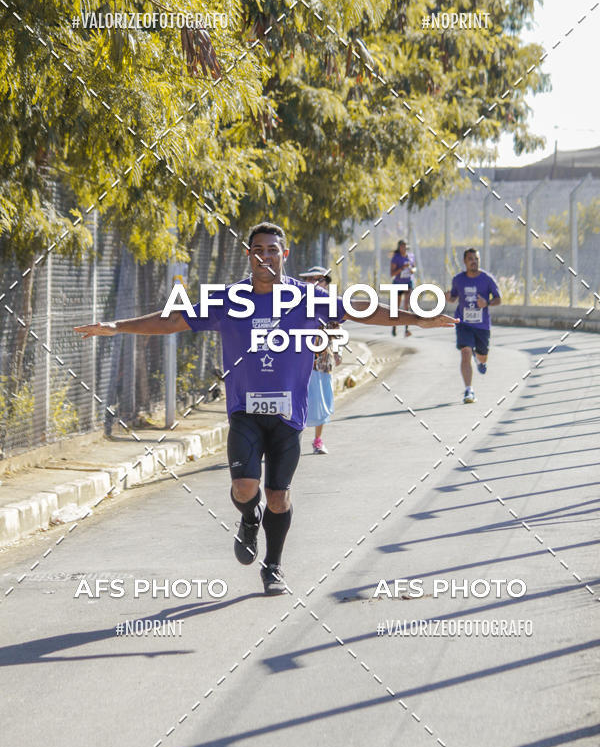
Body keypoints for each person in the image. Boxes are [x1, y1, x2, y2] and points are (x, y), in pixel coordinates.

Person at [75, 223, 456, 595]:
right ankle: (247, 518)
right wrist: (118, 325)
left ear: (284, 255)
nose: (265, 256)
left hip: (289, 416)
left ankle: (273, 565)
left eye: (273, 250)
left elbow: (361, 309)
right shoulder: (229, 300)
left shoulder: (308, 298)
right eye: (259, 250)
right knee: (244, 489)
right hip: (244, 411)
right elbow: (174, 319)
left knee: (279, 496)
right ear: (249, 256)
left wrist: (419, 318)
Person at [445, 248, 501, 404]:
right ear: (465, 261)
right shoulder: (458, 279)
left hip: (482, 326)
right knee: (465, 352)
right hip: (463, 323)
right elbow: (454, 297)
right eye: (470, 258)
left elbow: (498, 299)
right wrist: (448, 297)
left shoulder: (487, 279)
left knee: (482, 356)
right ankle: (469, 390)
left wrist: (487, 303)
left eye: (476, 258)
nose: (473, 261)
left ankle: (480, 359)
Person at [297, 265, 341, 455]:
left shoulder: (330, 304)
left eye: (320, 279)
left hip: (322, 361)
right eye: (311, 279)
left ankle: (317, 440)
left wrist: (338, 352)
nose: (315, 283)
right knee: (299, 402)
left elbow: (336, 330)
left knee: (321, 402)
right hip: (299, 362)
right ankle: (293, 442)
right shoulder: (296, 302)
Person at [390, 240, 416, 337]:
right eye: (402, 247)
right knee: (396, 307)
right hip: (398, 283)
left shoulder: (411, 256)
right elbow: (392, 274)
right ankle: (394, 326)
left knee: (407, 306)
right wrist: (402, 268)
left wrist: (412, 270)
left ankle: (406, 329)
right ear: (399, 247)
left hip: (408, 282)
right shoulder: (395, 258)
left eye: (405, 246)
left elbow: (414, 268)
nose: (403, 248)